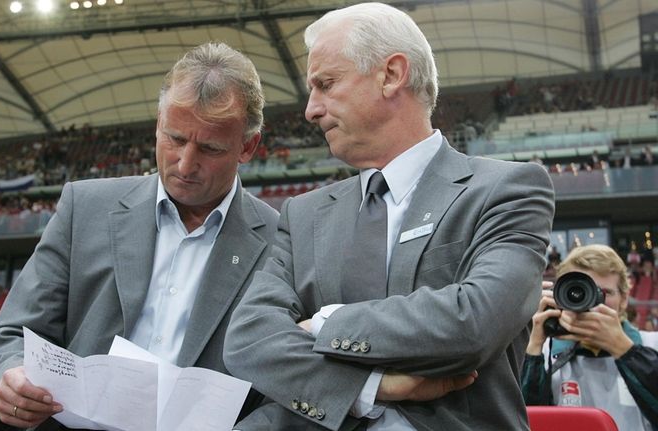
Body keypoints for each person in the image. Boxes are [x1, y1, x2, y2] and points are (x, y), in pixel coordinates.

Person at [223, 3, 555, 430]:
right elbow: (250, 338)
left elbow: (474, 322)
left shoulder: (505, 190)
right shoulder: (302, 214)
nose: (311, 109)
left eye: (326, 84)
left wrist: (325, 322)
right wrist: (372, 385)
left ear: (392, 75)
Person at [0, 42, 279, 430]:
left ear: (248, 146)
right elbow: (11, 335)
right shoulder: (84, 208)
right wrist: (12, 377)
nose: (185, 164)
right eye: (174, 139)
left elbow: (285, 389)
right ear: (157, 122)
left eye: (210, 148)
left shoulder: (279, 242)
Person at [521, 244, 658, 430]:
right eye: (580, 290)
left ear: (624, 299)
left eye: (604, 293)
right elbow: (524, 422)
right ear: (559, 295)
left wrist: (625, 351)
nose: (591, 303)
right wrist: (534, 348)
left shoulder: (653, 345)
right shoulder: (544, 353)